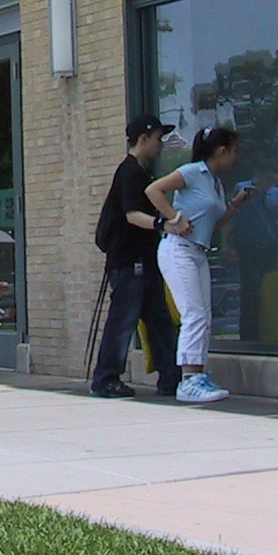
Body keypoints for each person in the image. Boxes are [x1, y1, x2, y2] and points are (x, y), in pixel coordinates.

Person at [147, 126, 255, 404]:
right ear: (222, 151)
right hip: (178, 251)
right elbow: (154, 190)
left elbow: (213, 223)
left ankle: (198, 373)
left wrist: (234, 204)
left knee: (204, 317)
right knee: (193, 315)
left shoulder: (215, 183)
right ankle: (189, 380)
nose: (236, 157)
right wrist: (173, 218)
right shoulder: (193, 172)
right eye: (234, 151)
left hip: (198, 251)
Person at [89, 116, 179, 399]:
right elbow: (131, 215)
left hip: (143, 261)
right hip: (130, 262)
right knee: (123, 320)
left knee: (159, 320)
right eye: (157, 138)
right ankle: (106, 379)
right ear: (143, 139)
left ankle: (171, 378)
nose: (160, 144)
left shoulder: (143, 173)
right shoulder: (130, 172)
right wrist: (162, 224)